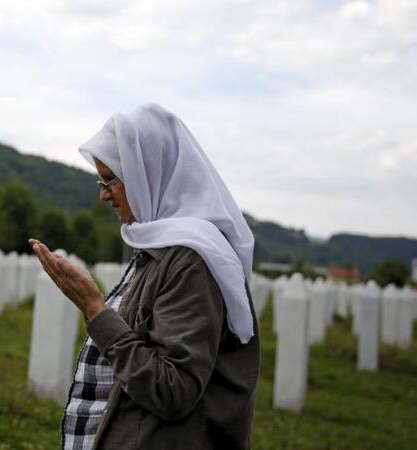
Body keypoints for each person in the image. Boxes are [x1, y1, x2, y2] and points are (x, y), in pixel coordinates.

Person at [29, 103, 260, 450]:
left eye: (111, 180)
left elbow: (172, 390)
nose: (103, 194)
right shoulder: (161, 249)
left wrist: (94, 308)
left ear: (147, 174)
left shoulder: (191, 260)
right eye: (100, 180)